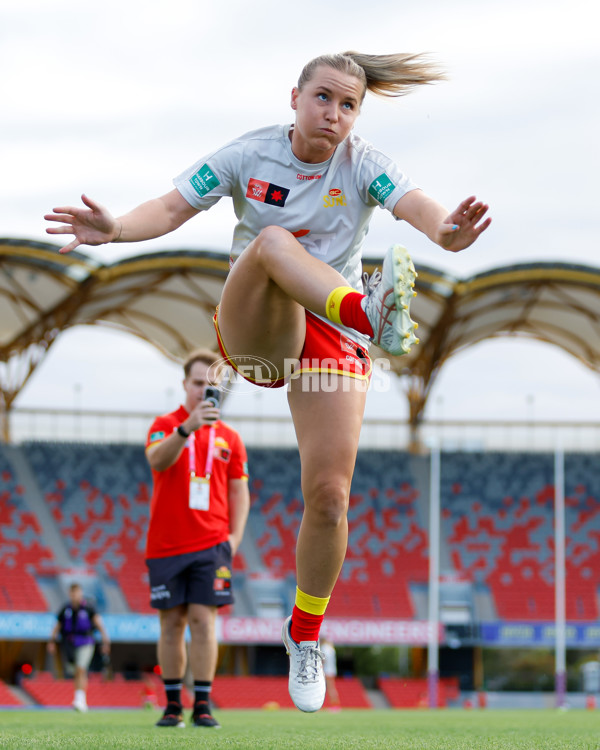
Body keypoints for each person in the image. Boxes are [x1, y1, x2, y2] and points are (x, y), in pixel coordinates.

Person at [45, 50, 491, 713]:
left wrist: (447, 231)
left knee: (331, 497)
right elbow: (170, 208)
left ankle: (306, 636)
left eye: (348, 106)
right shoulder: (248, 155)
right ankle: (368, 310)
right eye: (323, 98)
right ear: (294, 97)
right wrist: (114, 229)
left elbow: (415, 205)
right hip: (259, 327)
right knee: (277, 242)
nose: (334, 114)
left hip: (329, 337)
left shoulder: (363, 163)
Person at [143, 348, 250, 729]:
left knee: (204, 621)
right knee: (171, 623)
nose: (204, 390)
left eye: (211, 384)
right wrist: (187, 427)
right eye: (198, 383)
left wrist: (234, 539)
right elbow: (157, 461)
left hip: (212, 544)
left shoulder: (231, 439)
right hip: (166, 544)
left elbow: (240, 493)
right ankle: (172, 704)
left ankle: (202, 703)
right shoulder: (164, 424)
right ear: (185, 384)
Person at [47, 582, 110, 712]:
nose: (74, 595)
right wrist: (51, 641)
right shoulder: (65, 609)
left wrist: (105, 641)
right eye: (72, 593)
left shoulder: (89, 608)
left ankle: (80, 699)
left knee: (81, 669)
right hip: (70, 644)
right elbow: (57, 626)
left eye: (76, 592)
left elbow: (99, 625)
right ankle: (78, 696)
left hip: (86, 642)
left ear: (80, 593)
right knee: (75, 671)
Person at [320, 636, 341, 711]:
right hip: (331, 670)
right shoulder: (331, 648)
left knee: (329, 688)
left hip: (326, 670)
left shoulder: (324, 648)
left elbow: (323, 660)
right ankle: (335, 705)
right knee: (331, 688)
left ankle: (335, 706)